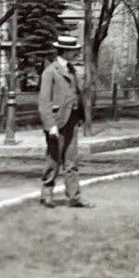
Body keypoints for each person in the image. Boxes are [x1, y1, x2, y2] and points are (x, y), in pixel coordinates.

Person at [39, 33, 88, 208]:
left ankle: (73, 197)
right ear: (65, 51)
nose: (76, 53)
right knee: (53, 160)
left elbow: (77, 94)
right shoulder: (50, 71)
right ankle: (47, 195)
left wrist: (80, 116)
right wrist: (50, 125)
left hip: (72, 121)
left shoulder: (72, 70)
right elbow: (44, 101)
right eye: (73, 51)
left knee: (71, 160)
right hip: (57, 122)